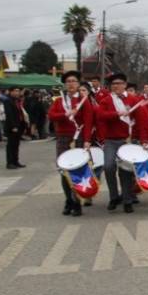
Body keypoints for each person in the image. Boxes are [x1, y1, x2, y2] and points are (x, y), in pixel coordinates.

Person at [97, 73, 148, 213]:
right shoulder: (106, 101)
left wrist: (144, 140)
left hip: (127, 141)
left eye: (120, 83)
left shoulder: (134, 100)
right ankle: (114, 196)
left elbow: (142, 121)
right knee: (109, 167)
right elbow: (101, 116)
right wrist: (117, 114)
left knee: (126, 171)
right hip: (111, 140)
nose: (117, 86)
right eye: (114, 84)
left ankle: (127, 200)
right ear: (110, 86)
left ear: (125, 85)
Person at [47, 71, 95, 216]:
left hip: (79, 138)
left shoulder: (83, 100)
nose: (71, 84)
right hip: (63, 138)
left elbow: (88, 121)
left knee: (78, 170)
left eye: (74, 81)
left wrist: (87, 140)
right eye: (68, 81)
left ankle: (77, 201)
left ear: (78, 84)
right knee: (64, 171)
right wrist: (64, 115)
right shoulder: (58, 101)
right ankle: (68, 200)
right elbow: (51, 115)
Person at [3, 86, 26, 169]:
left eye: (18, 91)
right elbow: (9, 115)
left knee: (16, 144)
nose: (17, 93)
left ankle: (16, 161)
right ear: (11, 92)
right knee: (11, 145)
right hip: (12, 126)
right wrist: (13, 126)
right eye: (15, 91)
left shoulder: (17, 101)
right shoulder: (7, 101)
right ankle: (10, 163)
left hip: (19, 125)